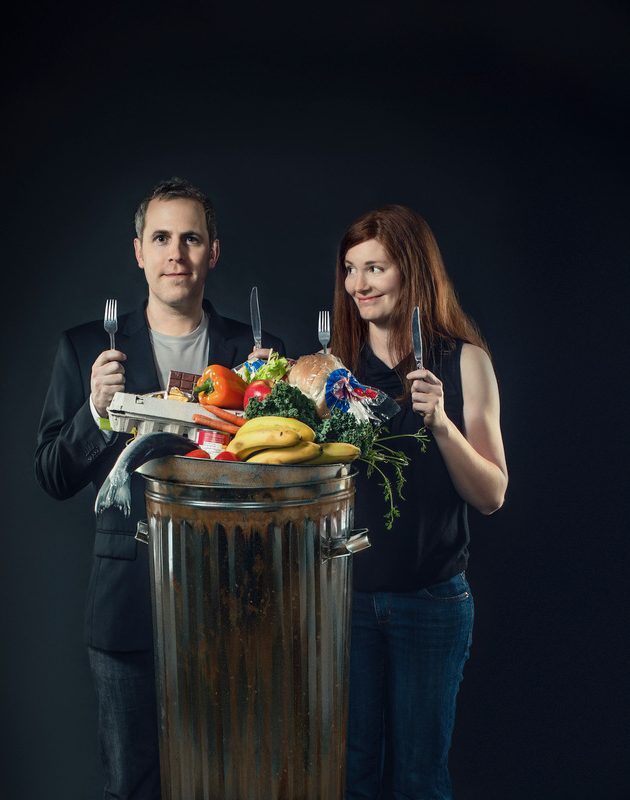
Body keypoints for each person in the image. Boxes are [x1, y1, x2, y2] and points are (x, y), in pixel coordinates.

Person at [34, 177, 286, 800]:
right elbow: (52, 476)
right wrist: (95, 413)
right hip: (129, 605)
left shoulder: (259, 352)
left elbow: (282, 478)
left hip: (235, 601)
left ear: (213, 253)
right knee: (135, 786)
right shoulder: (87, 348)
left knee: (231, 781)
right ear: (140, 252)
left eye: (192, 238)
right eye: (163, 238)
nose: (177, 253)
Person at [329, 205, 508, 799]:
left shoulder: (465, 362)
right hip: (347, 602)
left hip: (432, 603)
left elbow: (491, 495)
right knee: (354, 777)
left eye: (375, 268)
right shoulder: (334, 373)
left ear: (412, 271)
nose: (359, 285)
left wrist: (443, 426)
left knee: (418, 780)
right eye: (352, 270)